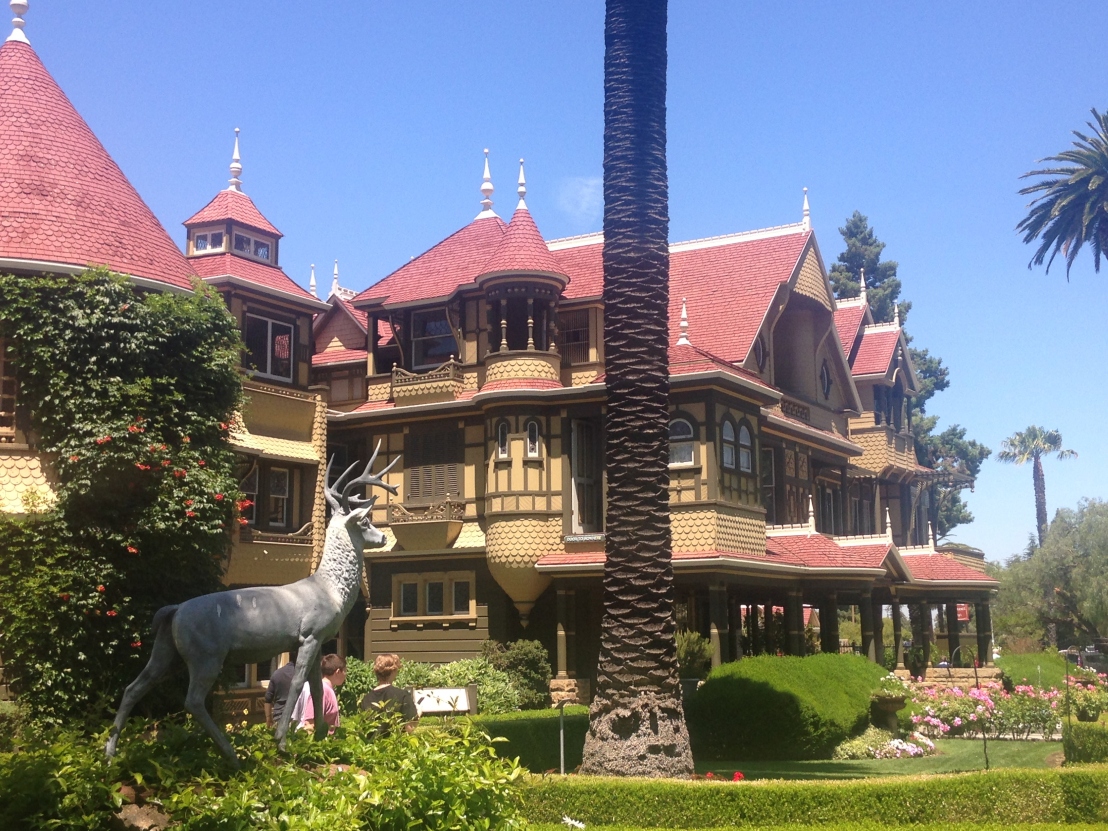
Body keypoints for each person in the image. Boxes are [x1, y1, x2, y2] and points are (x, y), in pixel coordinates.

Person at [360, 652, 418, 732]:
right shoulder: (402, 695)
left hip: (371, 744)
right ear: (393, 671)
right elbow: (410, 728)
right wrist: (418, 712)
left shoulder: (365, 699)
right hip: (394, 743)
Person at [291, 653, 346, 733]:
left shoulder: (326, 689)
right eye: (345, 670)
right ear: (338, 672)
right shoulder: (323, 690)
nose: (346, 674)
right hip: (323, 744)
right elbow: (309, 724)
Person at [264, 656, 298, 730]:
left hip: (278, 719)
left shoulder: (277, 673)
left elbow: (268, 700)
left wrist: (268, 719)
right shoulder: (302, 675)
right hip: (295, 720)